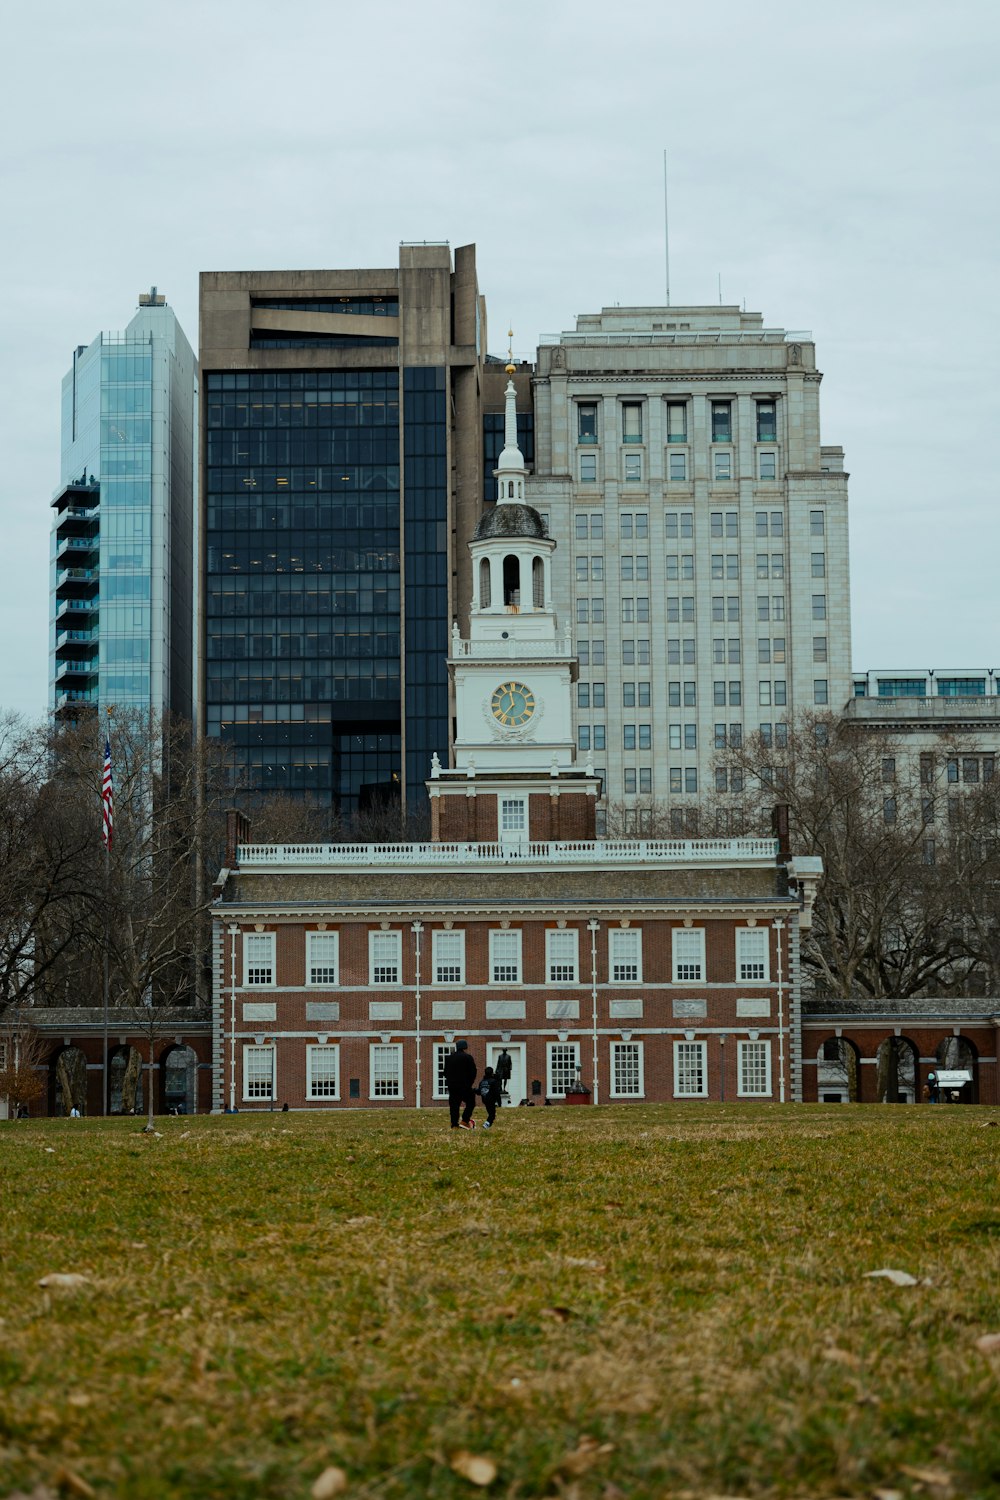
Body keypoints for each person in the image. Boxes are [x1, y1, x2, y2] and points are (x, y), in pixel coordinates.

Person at [444, 1039, 478, 1129]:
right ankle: (465, 1120)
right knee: (471, 1102)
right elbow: (473, 1072)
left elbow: (445, 1073)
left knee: (454, 1105)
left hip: (452, 1086)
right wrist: (469, 1083)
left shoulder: (449, 1058)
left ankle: (454, 1124)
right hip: (464, 1086)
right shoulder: (468, 1057)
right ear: (465, 1047)